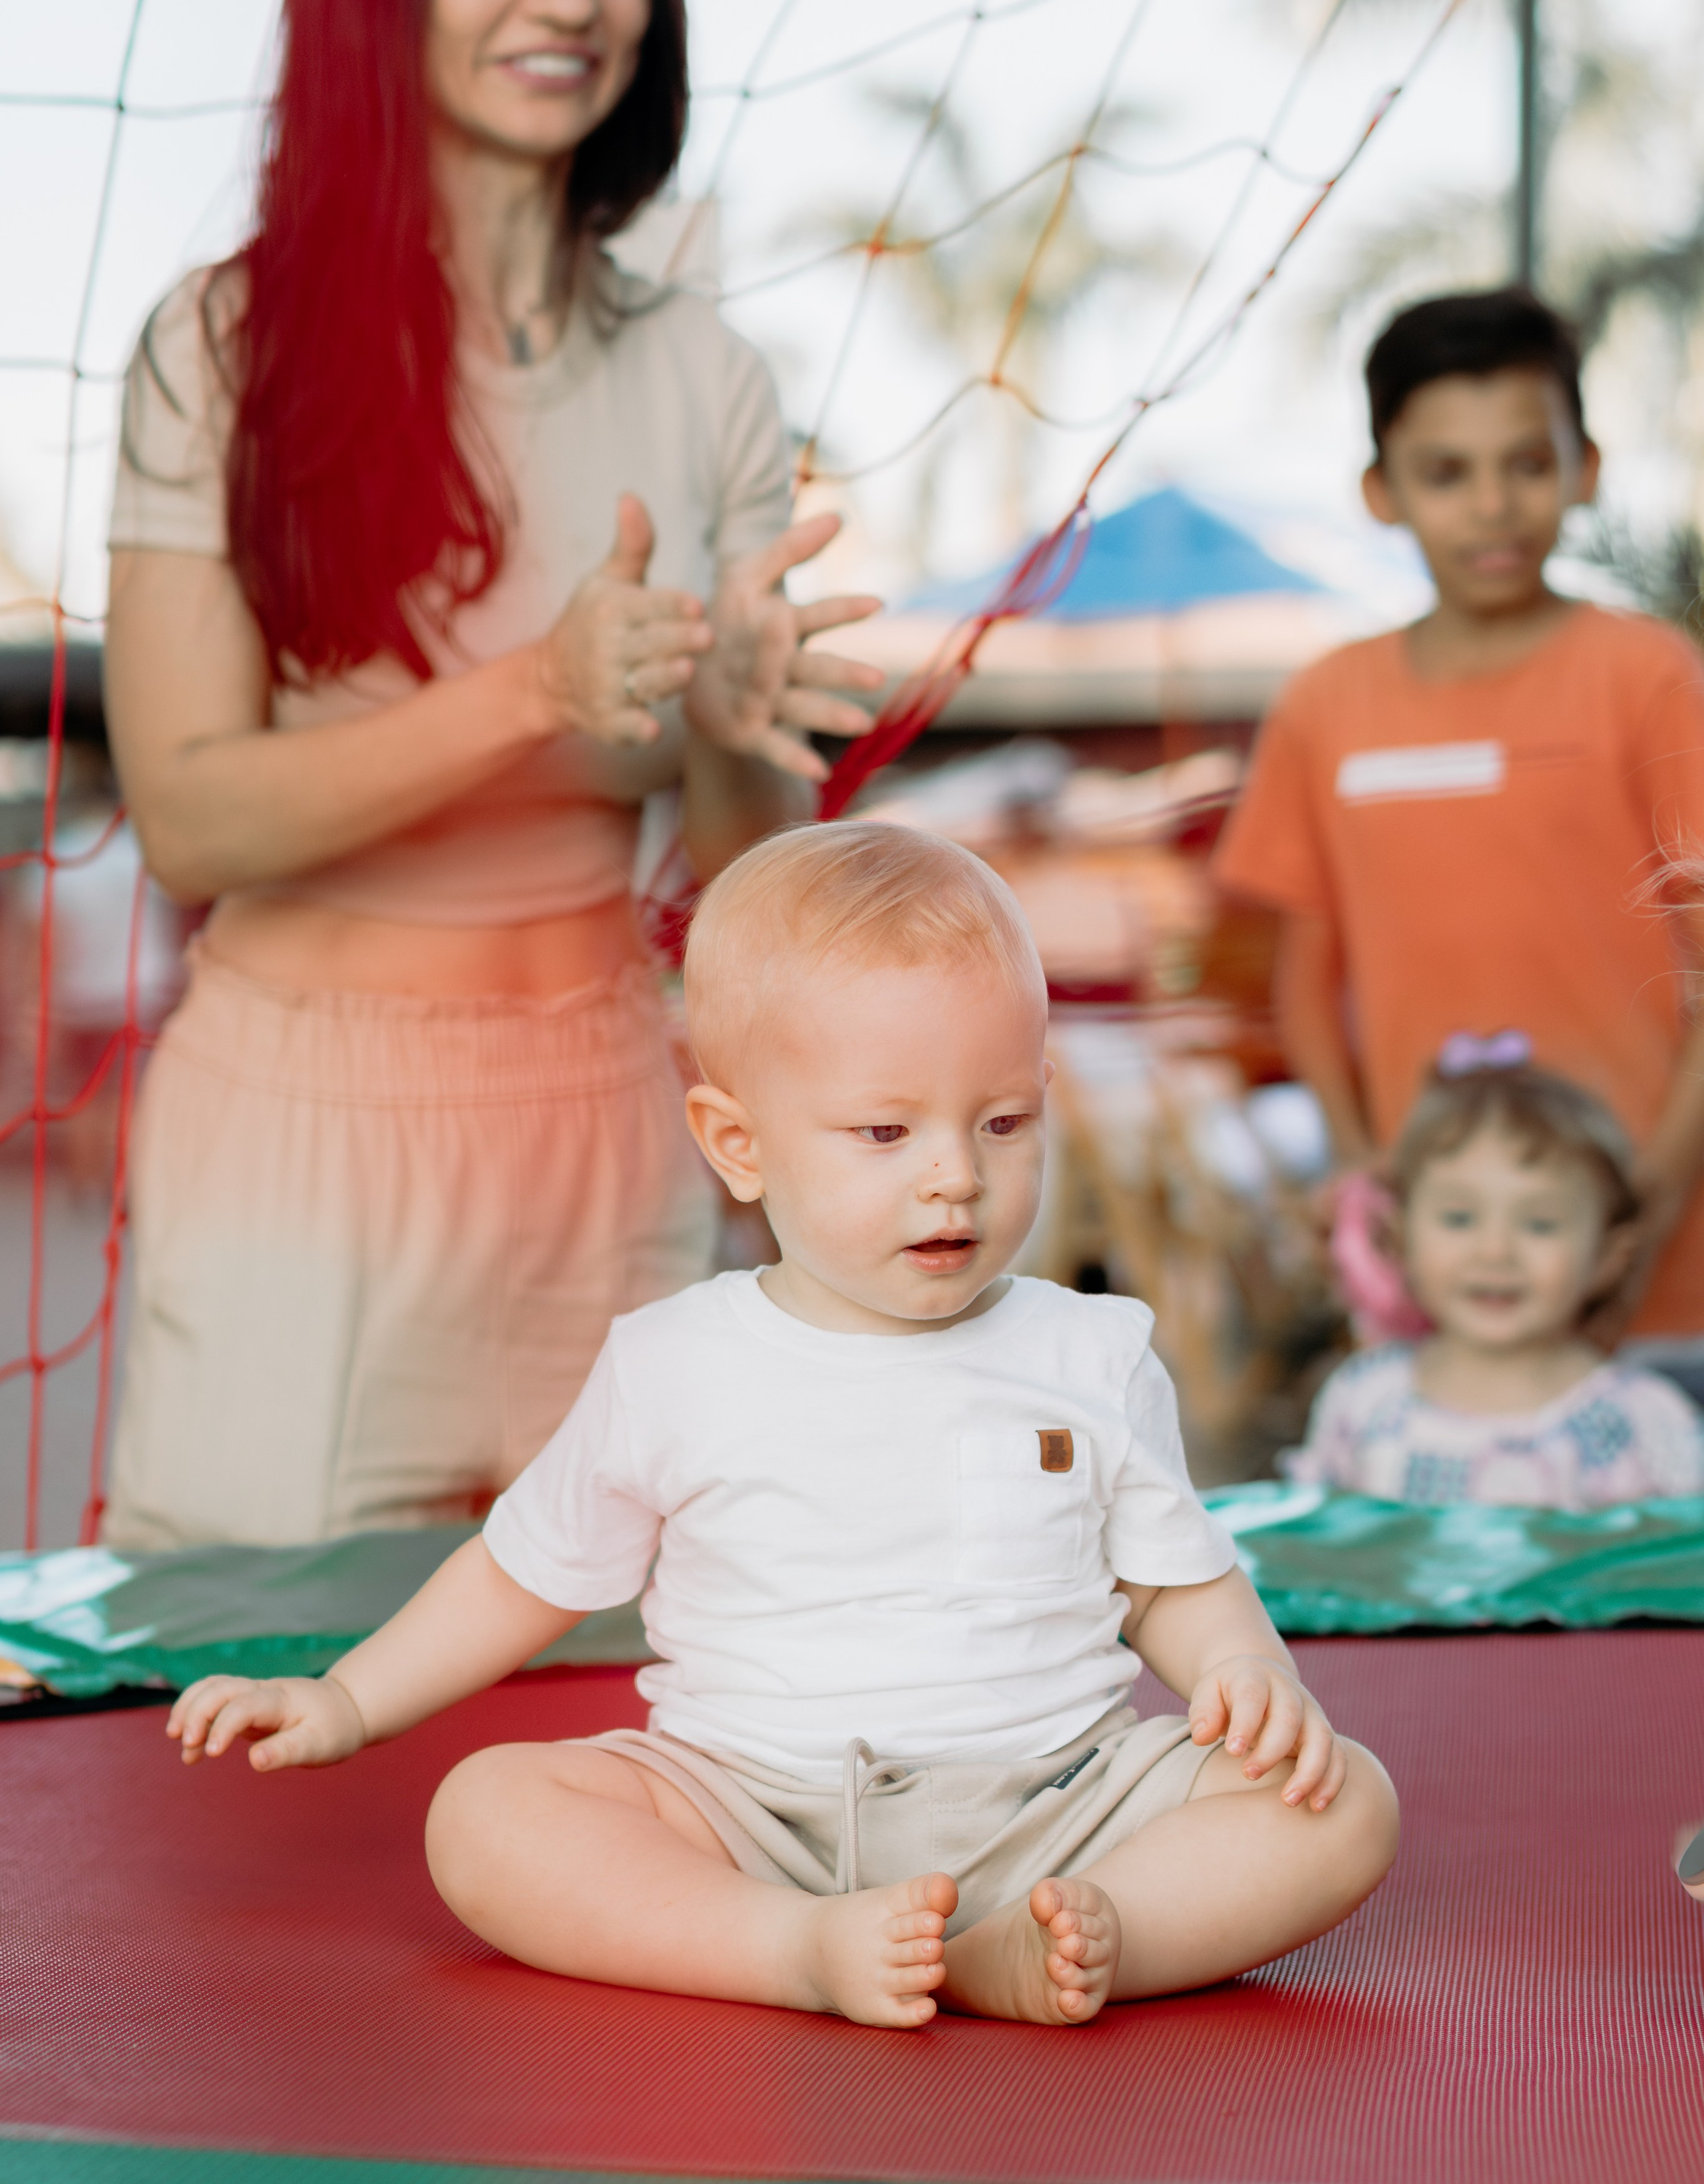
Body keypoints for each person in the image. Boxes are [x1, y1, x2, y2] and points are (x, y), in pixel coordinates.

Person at [166, 823, 1398, 2030]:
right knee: (487, 1812)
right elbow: (516, 1575)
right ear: (738, 1145)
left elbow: (1172, 1582)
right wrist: (347, 1698)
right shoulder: (673, 1363)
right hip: (749, 1813)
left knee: (1345, 1801)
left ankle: (1083, 1936)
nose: (954, 1175)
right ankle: (794, 1949)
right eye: (884, 1131)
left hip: (1063, 1804)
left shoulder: (1093, 1351)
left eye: (1003, 1122)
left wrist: (1249, 1671)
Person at [99, 0, 881, 1552]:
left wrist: (738, 733)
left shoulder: (710, 373)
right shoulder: (221, 351)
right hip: (307, 1144)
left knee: (610, 1742)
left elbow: (750, 883)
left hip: (613, 1125)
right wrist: (536, 692)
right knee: (248, 1759)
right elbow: (193, 819)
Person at [1216, 287, 1704, 1334]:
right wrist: (1356, 1166)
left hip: (1663, 1284)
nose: (1491, 505)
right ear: (1380, 490)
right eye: (1446, 473)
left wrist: (1650, 1202)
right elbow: (1310, 973)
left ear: (1586, 468)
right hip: (1442, 1285)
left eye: (1526, 464)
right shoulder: (1325, 706)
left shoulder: (1652, 679)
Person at [1285, 1043, 1704, 1508]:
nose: (1496, 1251)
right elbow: (1321, 1549)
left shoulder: (1640, 1423)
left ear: (1609, 1255)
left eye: (1540, 1223)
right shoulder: (1363, 1402)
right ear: (1401, 1239)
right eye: (1459, 1218)